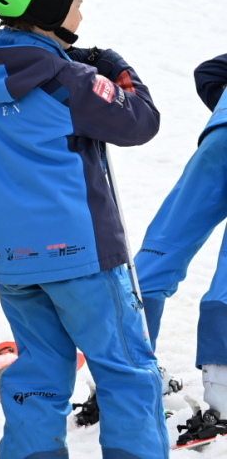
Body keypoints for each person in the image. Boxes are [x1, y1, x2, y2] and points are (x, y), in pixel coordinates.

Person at [0, 0, 168, 458]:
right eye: (76, 2)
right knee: (125, 371)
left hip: (14, 262)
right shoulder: (67, 79)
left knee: (38, 375)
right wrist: (116, 67)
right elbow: (141, 121)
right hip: (85, 257)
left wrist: (6, 220)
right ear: (44, 1)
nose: (81, 16)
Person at [136, 52, 227, 444]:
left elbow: (207, 71)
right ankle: (223, 395)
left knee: (162, 249)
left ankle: (124, 376)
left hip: (219, 137)